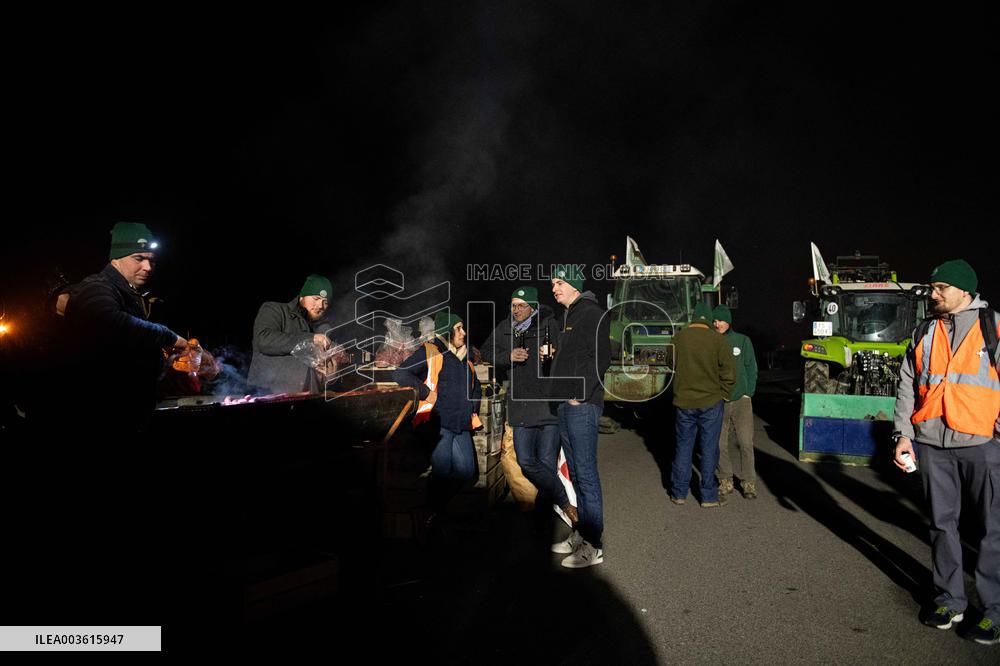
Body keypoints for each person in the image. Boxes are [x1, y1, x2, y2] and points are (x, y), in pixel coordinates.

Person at [892, 259, 1000, 645]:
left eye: (940, 288)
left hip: (983, 445)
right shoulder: (924, 331)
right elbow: (907, 384)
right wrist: (904, 435)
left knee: (993, 531)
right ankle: (949, 600)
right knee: (942, 525)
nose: (933, 294)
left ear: (964, 291)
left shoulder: (993, 328)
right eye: (932, 288)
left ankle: (993, 611)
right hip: (933, 444)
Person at [64, 221, 188, 429]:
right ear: (116, 258)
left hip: (132, 409)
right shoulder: (97, 287)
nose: (148, 268)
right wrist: (171, 337)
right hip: (103, 413)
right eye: (138, 258)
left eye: (152, 261)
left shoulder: (131, 293)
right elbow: (109, 322)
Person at [481, 286, 575, 521]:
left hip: (548, 404)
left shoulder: (549, 324)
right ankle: (564, 501)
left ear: (532, 307)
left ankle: (543, 518)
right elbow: (486, 350)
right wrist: (508, 356)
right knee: (525, 460)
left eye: (522, 306)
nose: (516, 310)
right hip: (521, 405)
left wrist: (554, 353)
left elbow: (566, 352)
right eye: (513, 305)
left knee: (546, 461)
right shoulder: (506, 328)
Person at [548, 265, 610, 568]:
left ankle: (594, 545)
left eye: (559, 283)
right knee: (575, 473)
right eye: (552, 284)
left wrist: (581, 394)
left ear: (574, 285)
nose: (554, 288)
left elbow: (603, 357)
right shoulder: (566, 317)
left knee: (585, 474)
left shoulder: (592, 313)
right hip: (565, 403)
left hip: (581, 406)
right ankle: (582, 533)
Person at [395, 311, 482, 521]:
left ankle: (431, 510)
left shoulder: (464, 356)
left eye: (463, 327)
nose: (464, 332)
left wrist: (473, 407)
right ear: (447, 331)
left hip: (461, 422)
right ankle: (431, 517)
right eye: (459, 328)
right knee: (442, 472)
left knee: (467, 471)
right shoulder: (431, 351)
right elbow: (400, 373)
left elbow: (476, 386)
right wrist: (426, 393)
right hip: (439, 423)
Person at [669, 301, 736, 508]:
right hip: (711, 402)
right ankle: (708, 496)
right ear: (709, 319)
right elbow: (729, 373)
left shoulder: (679, 337)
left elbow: (670, 362)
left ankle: (679, 493)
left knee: (683, 447)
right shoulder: (718, 340)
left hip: (684, 402)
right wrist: (723, 395)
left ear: (694, 317)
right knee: (709, 449)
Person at [248, 274, 333, 393]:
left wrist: (332, 370)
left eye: (326, 302)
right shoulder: (275, 309)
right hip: (267, 394)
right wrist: (311, 338)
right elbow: (264, 340)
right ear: (302, 297)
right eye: (316, 298)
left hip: (308, 398)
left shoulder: (321, 329)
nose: (320, 306)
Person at [712, 304, 759, 499]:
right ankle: (725, 480)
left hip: (741, 400)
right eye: (714, 321)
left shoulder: (742, 341)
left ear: (728, 321)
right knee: (719, 443)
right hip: (719, 400)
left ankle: (748, 482)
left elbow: (751, 367)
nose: (717, 324)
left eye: (720, 320)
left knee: (745, 442)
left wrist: (748, 392)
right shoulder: (711, 342)